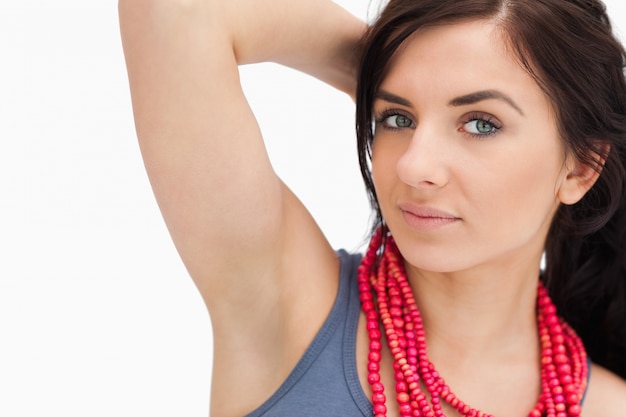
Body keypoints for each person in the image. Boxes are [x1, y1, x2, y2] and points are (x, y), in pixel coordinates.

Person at [118, 0, 626, 415]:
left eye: (480, 123)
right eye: (396, 118)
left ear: (580, 168)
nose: (413, 165)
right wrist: (381, 63)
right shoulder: (287, 311)